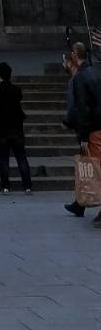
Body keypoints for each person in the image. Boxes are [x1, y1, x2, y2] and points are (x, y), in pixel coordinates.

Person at [63, 40, 101, 223]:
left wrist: (84, 136)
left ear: (75, 54)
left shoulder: (80, 77)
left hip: (93, 129)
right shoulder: (94, 72)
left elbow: (83, 108)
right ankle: (80, 203)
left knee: (96, 168)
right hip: (97, 126)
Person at [0, 62, 32, 193]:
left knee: (4, 158)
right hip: (16, 128)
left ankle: (5, 186)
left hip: (1, 128)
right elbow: (19, 97)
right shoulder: (16, 90)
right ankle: (27, 185)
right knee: (21, 156)